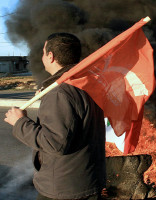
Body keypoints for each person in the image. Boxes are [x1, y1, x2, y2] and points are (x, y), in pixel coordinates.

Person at [4, 33, 106, 200]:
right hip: (86, 181)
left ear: (50, 56)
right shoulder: (85, 84)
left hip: (63, 189)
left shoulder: (60, 93)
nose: (42, 56)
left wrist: (19, 122)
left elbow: (54, 143)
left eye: (44, 52)